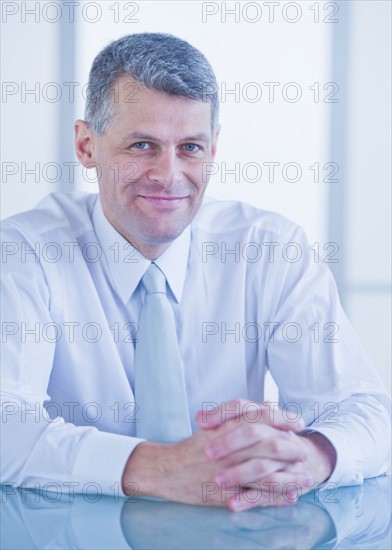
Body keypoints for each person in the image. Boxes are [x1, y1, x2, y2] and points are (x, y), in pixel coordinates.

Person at [1, 33, 390, 512]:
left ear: (214, 147)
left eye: (190, 147)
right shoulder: (24, 254)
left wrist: (311, 454)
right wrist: (156, 467)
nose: (168, 175)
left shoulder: (270, 250)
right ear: (86, 145)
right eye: (142, 145)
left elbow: (367, 410)